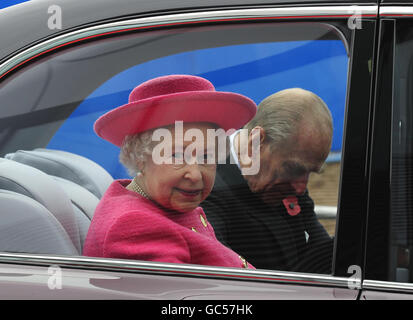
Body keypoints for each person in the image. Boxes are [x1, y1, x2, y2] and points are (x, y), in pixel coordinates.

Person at [83, 74, 257, 269]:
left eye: (206, 157)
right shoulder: (135, 226)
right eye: (176, 155)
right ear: (140, 156)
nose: (195, 174)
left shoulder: (164, 202)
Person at [201, 88, 334, 274]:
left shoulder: (286, 174)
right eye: (293, 169)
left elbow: (324, 255)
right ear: (256, 142)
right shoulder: (202, 185)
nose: (301, 188)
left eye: (309, 172)